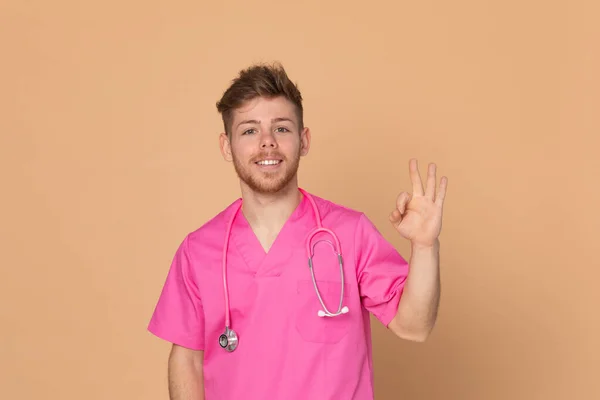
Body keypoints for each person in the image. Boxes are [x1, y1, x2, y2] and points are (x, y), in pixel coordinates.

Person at [147, 62, 448, 400]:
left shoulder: (349, 233)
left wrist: (425, 247)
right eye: (249, 131)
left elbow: (415, 326)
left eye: (282, 129)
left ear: (303, 141)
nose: (267, 143)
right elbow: (186, 359)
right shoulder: (198, 250)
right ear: (226, 146)